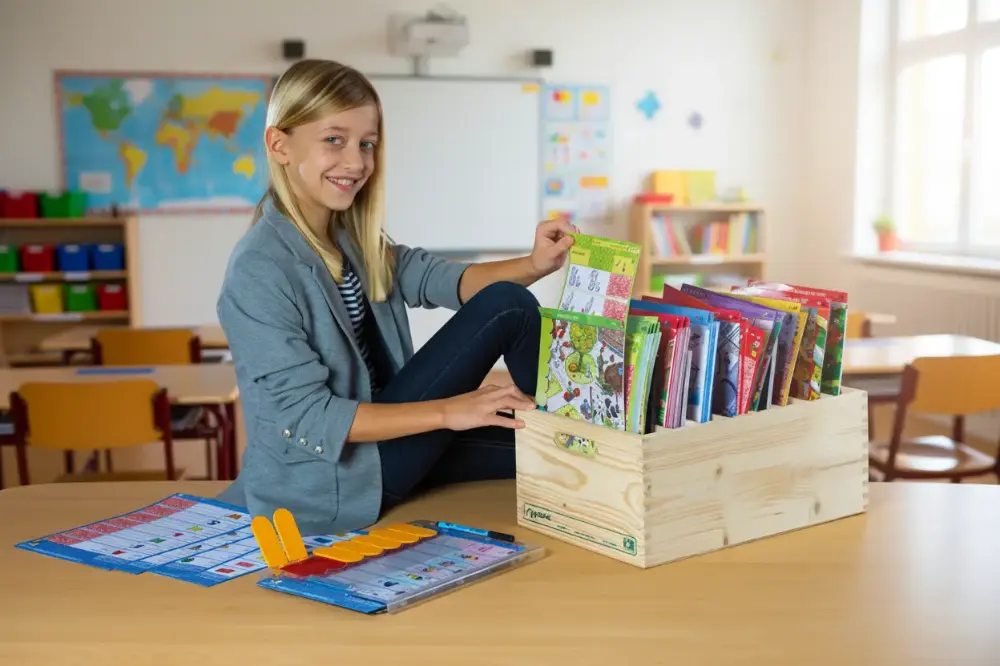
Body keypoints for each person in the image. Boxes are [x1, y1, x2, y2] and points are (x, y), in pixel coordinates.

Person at [215, 59, 576, 536]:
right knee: (509, 304)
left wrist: (536, 263)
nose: (356, 163)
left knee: (551, 451)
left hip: (392, 442)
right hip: (334, 480)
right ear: (279, 145)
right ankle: (580, 430)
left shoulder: (351, 241)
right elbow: (307, 416)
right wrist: (451, 410)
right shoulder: (259, 269)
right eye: (334, 140)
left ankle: (584, 437)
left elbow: (445, 280)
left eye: (366, 144)